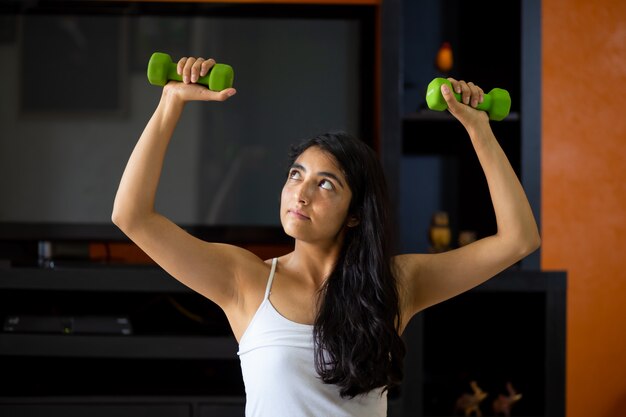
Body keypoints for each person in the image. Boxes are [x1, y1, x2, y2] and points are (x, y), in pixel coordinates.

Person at [111, 56, 540, 417]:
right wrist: (170, 104)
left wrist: (479, 129)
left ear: (355, 214)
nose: (301, 192)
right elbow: (131, 217)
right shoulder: (244, 281)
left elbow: (518, 239)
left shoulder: (394, 285)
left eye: (326, 184)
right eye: (296, 175)